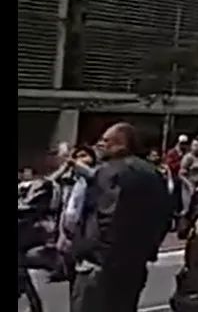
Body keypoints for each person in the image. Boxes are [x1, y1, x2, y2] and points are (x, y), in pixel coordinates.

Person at [70, 122, 172, 312]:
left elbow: (106, 218)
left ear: (122, 144)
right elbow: (164, 216)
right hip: (135, 263)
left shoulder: (109, 172)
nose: (100, 144)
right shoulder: (153, 174)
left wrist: (89, 254)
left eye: (106, 140)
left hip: (102, 266)